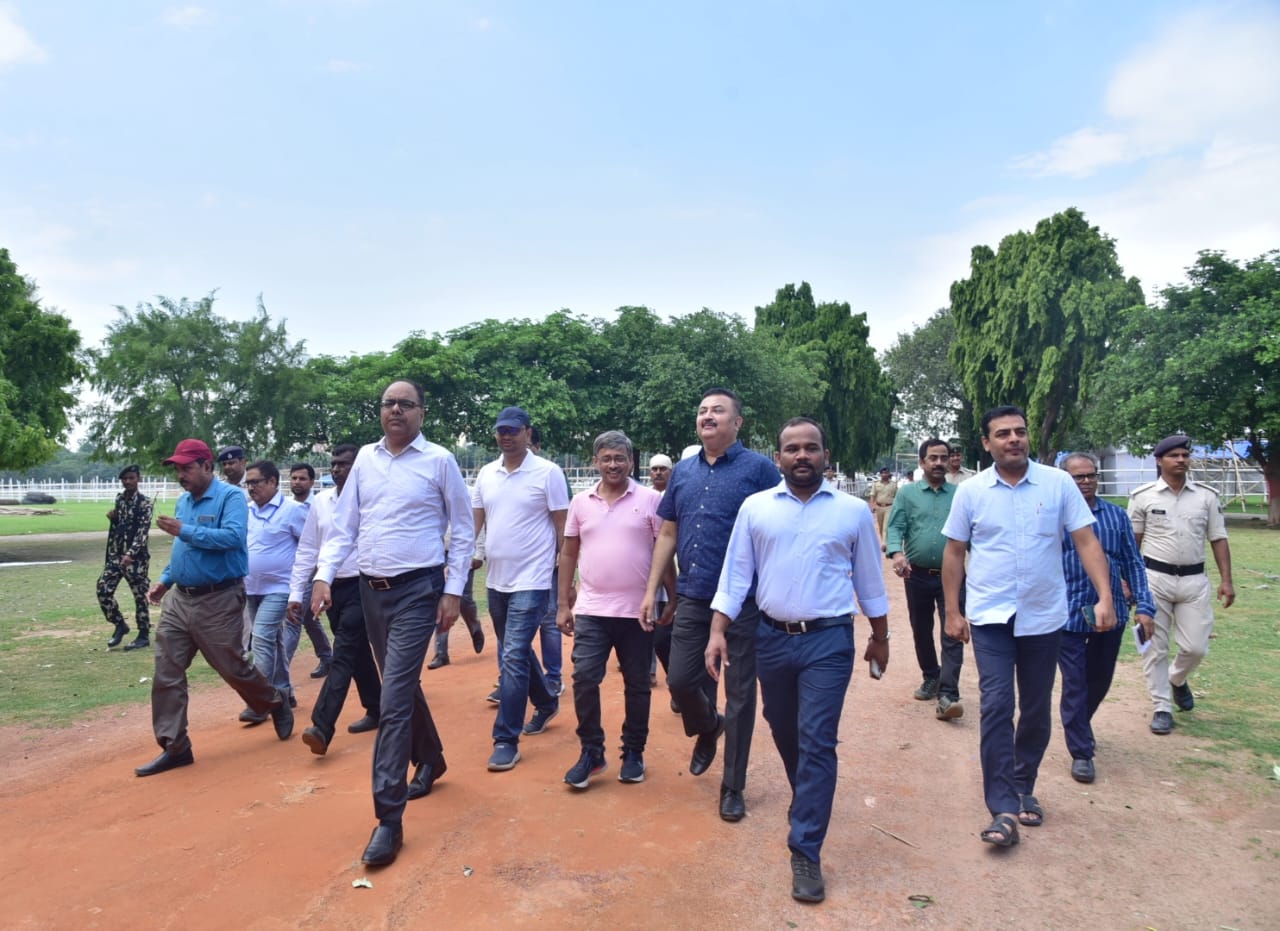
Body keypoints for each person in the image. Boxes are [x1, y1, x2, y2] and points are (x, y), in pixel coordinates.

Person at [707, 417, 888, 903]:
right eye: (792, 449)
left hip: (828, 641)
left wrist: (881, 635)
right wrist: (717, 630)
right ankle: (807, 793)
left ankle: (805, 847)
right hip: (771, 637)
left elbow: (870, 580)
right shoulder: (756, 508)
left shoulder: (850, 512)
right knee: (782, 726)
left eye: (811, 448)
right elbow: (735, 574)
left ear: (825, 455)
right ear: (779, 457)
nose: (802, 456)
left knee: (817, 739)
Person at [310, 379, 474, 867]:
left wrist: (452, 590)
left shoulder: (439, 460)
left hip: (419, 591)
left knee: (393, 697)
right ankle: (434, 758)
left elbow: (463, 530)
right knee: (400, 686)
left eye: (406, 404)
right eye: (388, 403)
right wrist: (322, 577)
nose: (396, 410)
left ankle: (388, 817)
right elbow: (345, 527)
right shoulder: (365, 458)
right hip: (369, 589)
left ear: (422, 413)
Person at [941, 405, 1114, 847]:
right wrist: (953, 611)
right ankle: (1001, 805)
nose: (1013, 439)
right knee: (998, 705)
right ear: (987, 443)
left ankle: (1024, 786)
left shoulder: (1057, 484)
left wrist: (1105, 597)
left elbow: (1086, 541)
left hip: (1043, 617)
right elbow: (955, 551)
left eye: (1019, 432)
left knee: (1035, 709)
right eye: (1003, 434)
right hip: (991, 618)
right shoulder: (973, 491)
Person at [639, 387, 780, 822]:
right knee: (681, 680)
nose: (708, 416)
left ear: (737, 423)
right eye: (702, 410)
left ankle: (733, 786)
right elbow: (667, 533)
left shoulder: (759, 469)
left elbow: (781, 522)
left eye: (718, 410)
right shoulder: (682, 472)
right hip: (696, 595)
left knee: (739, 696)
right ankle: (707, 726)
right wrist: (652, 591)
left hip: (745, 601)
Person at [136, 439, 293, 777]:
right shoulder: (183, 502)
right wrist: (165, 580)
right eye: (177, 469)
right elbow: (183, 550)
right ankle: (175, 746)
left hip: (219, 598)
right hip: (181, 599)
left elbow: (233, 539)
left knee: (232, 667)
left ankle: (274, 701)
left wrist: (185, 530)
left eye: (186, 467)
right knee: (166, 669)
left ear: (207, 466)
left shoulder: (231, 497)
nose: (181, 475)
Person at [557, 431, 673, 789]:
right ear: (595, 462)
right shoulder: (581, 502)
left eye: (619, 459)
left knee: (638, 684)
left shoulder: (652, 500)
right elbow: (568, 553)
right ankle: (592, 752)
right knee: (584, 678)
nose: (613, 465)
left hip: (637, 611)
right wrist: (563, 603)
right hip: (592, 610)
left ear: (631, 462)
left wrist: (674, 597)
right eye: (606, 459)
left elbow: (663, 551)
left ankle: (633, 752)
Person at [471, 406, 568, 772]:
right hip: (496, 581)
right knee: (517, 649)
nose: (506, 436)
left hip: (534, 579)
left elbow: (564, 528)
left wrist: (565, 578)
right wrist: (467, 556)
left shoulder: (548, 473)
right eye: (501, 430)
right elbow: (475, 523)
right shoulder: (486, 474)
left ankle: (505, 739)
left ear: (528, 433)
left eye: (513, 430)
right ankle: (545, 700)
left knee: (511, 654)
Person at [1127, 435, 1234, 735]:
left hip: (1193, 580)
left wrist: (1227, 580)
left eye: (1185, 455)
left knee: (1196, 647)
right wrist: (1128, 582)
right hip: (1153, 579)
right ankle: (1161, 707)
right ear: (1159, 461)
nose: (1182, 460)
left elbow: (1218, 538)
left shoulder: (1206, 497)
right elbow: (1132, 544)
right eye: (1174, 455)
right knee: (1154, 648)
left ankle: (1176, 679)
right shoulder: (1143, 496)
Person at [1059, 453, 1155, 781]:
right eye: (1077, 477)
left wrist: (1144, 605)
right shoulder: (1052, 518)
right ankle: (1081, 751)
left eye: (1090, 476)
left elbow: (1133, 562)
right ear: (1065, 480)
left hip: (1110, 612)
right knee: (1074, 682)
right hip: (1066, 615)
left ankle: (1079, 725)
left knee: (1099, 679)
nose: (1085, 482)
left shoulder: (1115, 516)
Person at [290, 444, 383, 755]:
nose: (338, 469)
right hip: (330, 588)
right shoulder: (321, 502)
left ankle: (322, 725)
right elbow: (307, 550)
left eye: (345, 463)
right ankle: (377, 708)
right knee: (356, 653)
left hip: (364, 585)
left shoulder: (373, 499)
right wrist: (296, 593)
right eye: (334, 463)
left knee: (343, 651)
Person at [885, 439, 966, 720]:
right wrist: (897, 553)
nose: (939, 463)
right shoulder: (907, 494)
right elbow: (896, 526)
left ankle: (948, 693)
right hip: (916, 574)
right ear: (922, 462)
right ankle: (931, 676)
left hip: (952, 577)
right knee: (921, 628)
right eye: (933, 458)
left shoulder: (960, 494)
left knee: (952, 631)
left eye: (944, 457)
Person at [239, 460, 307, 726]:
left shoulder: (293, 511)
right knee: (275, 640)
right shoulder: (246, 512)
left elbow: (309, 547)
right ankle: (283, 690)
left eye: (256, 482)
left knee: (262, 637)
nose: (251, 488)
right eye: (249, 483)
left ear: (273, 482)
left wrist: (301, 588)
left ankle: (260, 701)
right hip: (251, 587)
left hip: (280, 587)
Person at [286, 462, 335, 679]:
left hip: (312, 574)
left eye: (302, 478)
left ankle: (278, 670)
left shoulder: (320, 505)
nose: (297, 482)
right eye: (294, 478)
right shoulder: (286, 507)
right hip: (291, 573)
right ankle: (326, 656)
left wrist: (317, 574)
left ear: (312, 482)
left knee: (293, 619)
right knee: (307, 618)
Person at [98, 464, 153, 651]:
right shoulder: (120, 499)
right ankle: (120, 624)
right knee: (103, 589)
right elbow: (121, 526)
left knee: (140, 597)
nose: (128, 481)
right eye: (125, 478)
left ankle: (143, 635)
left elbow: (142, 532)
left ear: (139, 479)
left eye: (131, 478)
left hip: (136, 559)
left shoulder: (145, 503)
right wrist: (113, 519)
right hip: (116, 555)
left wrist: (131, 553)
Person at [426, 528, 486, 669]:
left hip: (464, 552)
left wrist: (479, 553)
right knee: (441, 601)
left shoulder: (470, 504)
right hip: (439, 553)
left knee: (464, 600)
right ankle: (441, 654)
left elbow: (476, 522)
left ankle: (475, 627)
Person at [869, 467, 898, 542]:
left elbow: (897, 497)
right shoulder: (876, 484)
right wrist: (872, 506)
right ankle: (883, 540)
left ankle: (884, 543)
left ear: (889, 474)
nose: (884, 474)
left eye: (886, 473)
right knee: (881, 526)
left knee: (886, 526)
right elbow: (872, 496)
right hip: (879, 507)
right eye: (883, 473)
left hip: (889, 507)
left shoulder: (893, 485)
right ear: (880, 474)